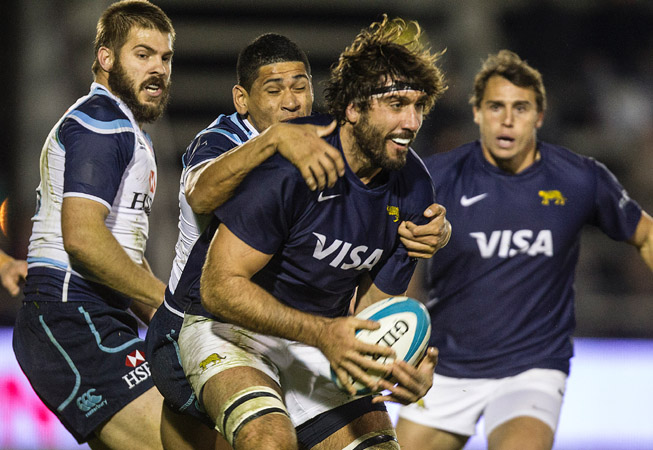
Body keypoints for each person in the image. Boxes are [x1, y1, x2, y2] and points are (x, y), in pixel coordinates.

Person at [145, 32, 451, 450]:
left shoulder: (415, 188)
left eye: (418, 106)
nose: (412, 122)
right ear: (354, 108)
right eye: (397, 105)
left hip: (314, 337)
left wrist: (399, 365)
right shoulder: (284, 159)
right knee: (269, 441)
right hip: (230, 327)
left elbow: (370, 314)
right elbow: (217, 286)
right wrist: (324, 333)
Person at [395, 50, 653, 450]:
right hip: (445, 367)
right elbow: (399, 255)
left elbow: (645, 234)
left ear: (540, 116)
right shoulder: (435, 177)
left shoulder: (579, 179)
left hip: (531, 370)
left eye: (521, 107)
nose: (508, 119)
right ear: (478, 112)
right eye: (496, 106)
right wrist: (402, 336)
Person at [12, 1, 175, 448]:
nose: (158, 68)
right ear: (106, 58)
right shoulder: (103, 121)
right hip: (70, 315)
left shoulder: (128, 128)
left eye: (165, 58)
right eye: (143, 54)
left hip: (93, 315)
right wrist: (170, 305)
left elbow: (120, 253)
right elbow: (83, 239)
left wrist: (172, 319)